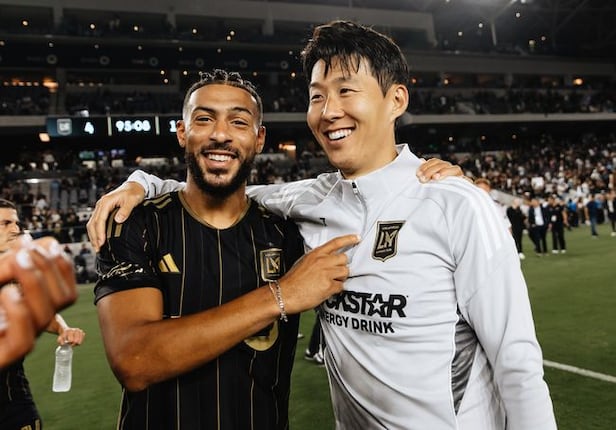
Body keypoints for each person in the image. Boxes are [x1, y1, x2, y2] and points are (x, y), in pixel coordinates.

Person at [87, 21, 556, 430]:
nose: (329, 110)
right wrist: (142, 182)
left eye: (346, 91)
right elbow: (220, 183)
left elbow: (517, 362)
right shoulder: (310, 201)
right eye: (317, 96)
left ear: (396, 99)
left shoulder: (456, 204)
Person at [93, 69, 362, 429]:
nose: (220, 134)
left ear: (259, 138)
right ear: (182, 132)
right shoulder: (134, 223)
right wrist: (281, 295)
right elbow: (134, 361)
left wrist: (430, 179)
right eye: (204, 119)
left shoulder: (287, 233)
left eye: (238, 122)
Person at [0, 199, 85, 429]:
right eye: (6, 223)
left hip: (12, 396)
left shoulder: (18, 272)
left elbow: (38, 309)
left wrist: (63, 329)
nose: (15, 229)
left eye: (16, 223)